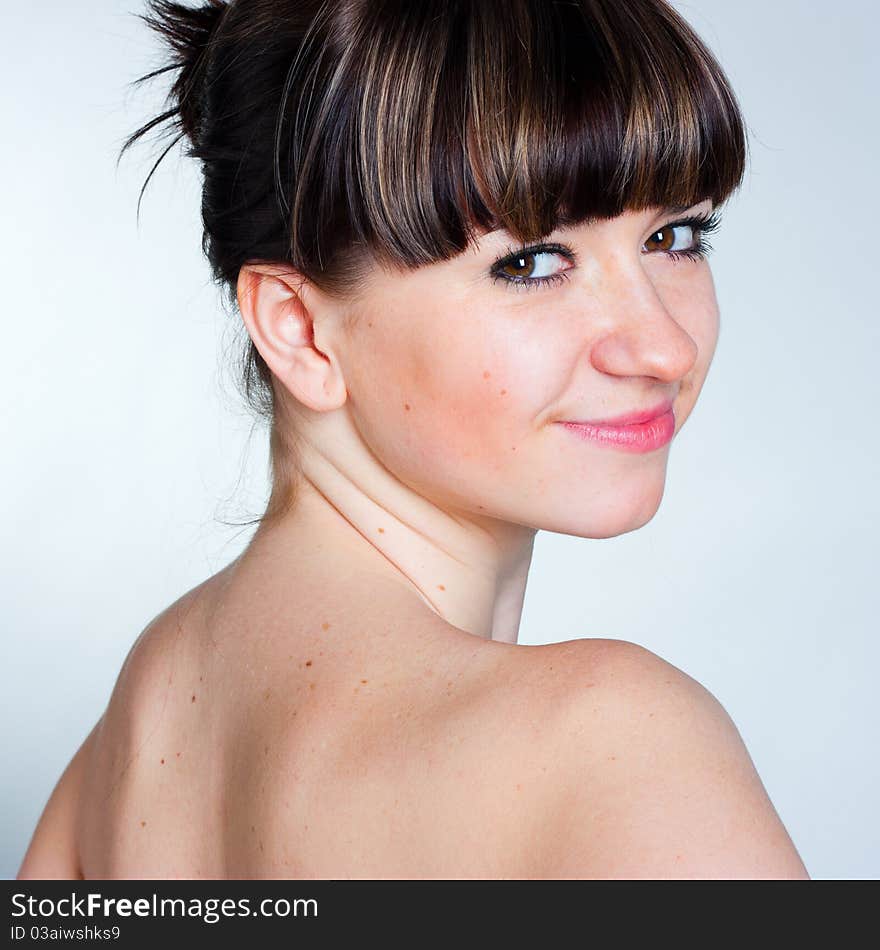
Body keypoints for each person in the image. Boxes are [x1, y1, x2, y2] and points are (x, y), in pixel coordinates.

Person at [18, 0, 810, 879]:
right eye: (532, 261)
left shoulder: (139, 734)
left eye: (675, 236)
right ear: (300, 331)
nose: (666, 345)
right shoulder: (611, 748)